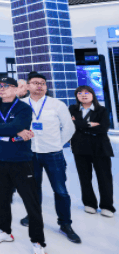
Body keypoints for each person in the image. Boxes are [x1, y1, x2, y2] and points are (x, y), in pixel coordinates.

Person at [0, 78, 47, 254]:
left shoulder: (24, 108)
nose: (1, 89)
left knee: (31, 201)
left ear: (15, 88)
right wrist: (13, 130)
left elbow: (12, 126)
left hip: (21, 161)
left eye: (6, 86)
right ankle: (5, 231)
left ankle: (38, 241)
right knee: (2, 198)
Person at [18, 72, 80, 244]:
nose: (39, 86)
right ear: (28, 86)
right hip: (30, 154)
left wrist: (57, 144)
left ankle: (65, 224)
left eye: (42, 83)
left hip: (53, 154)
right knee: (33, 189)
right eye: (35, 83)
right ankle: (33, 216)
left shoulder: (57, 104)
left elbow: (69, 128)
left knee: (60, 191)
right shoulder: (21, 105)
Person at [69, 86, 115, 217]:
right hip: (80, 148)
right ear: (76, 96)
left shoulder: (102, 110)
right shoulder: (72, 109)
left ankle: (107, 206)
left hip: (100, 148)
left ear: (92, 95)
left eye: (86, 92)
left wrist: (79, 124)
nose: (83, 95)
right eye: (79, 93)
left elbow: (103, 128)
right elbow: (69, 125)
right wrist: (89, 124)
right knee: (84, 177)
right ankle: (89, 204)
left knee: (104, 178)